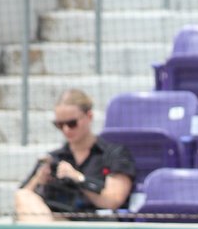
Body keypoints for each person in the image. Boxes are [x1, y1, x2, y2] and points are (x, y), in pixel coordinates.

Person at [13, 89, 135, 222]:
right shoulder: (54, 158)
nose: (66, 130)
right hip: (55, 221)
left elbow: (113, 200)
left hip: (94, 225)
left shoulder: (113, 153)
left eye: (72, 124)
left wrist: (79, 178)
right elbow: (22, 198)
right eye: (59, 125)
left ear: (89, 117)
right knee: (23, 195)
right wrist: (38, 180)